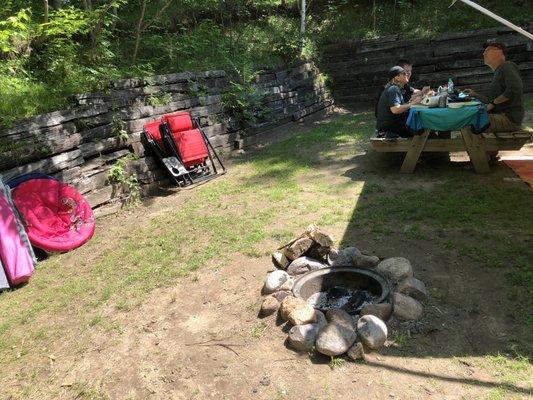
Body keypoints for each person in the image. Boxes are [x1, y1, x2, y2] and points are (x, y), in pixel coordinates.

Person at [463, 42, 524, 133]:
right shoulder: (499, 72)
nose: (484, 53)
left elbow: (514, 89)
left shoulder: (507, 66)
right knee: (465, 118)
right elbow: (490, 101)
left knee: (465, 121)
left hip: (508, 119)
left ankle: (476, 147)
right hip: (501, 116)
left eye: (487, 50)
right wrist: (474, 94)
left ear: (499, 51)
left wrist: (493, 104)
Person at [375, 66, 421, 138]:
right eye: (404, 73)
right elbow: (395, 109)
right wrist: (412, 103)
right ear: (397, 77)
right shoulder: (394, 89)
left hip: (391, 125)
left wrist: (410, 102)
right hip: (390, 128)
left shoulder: (394, 88)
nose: (407, 74)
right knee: (420, 122)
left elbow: (398, 107)